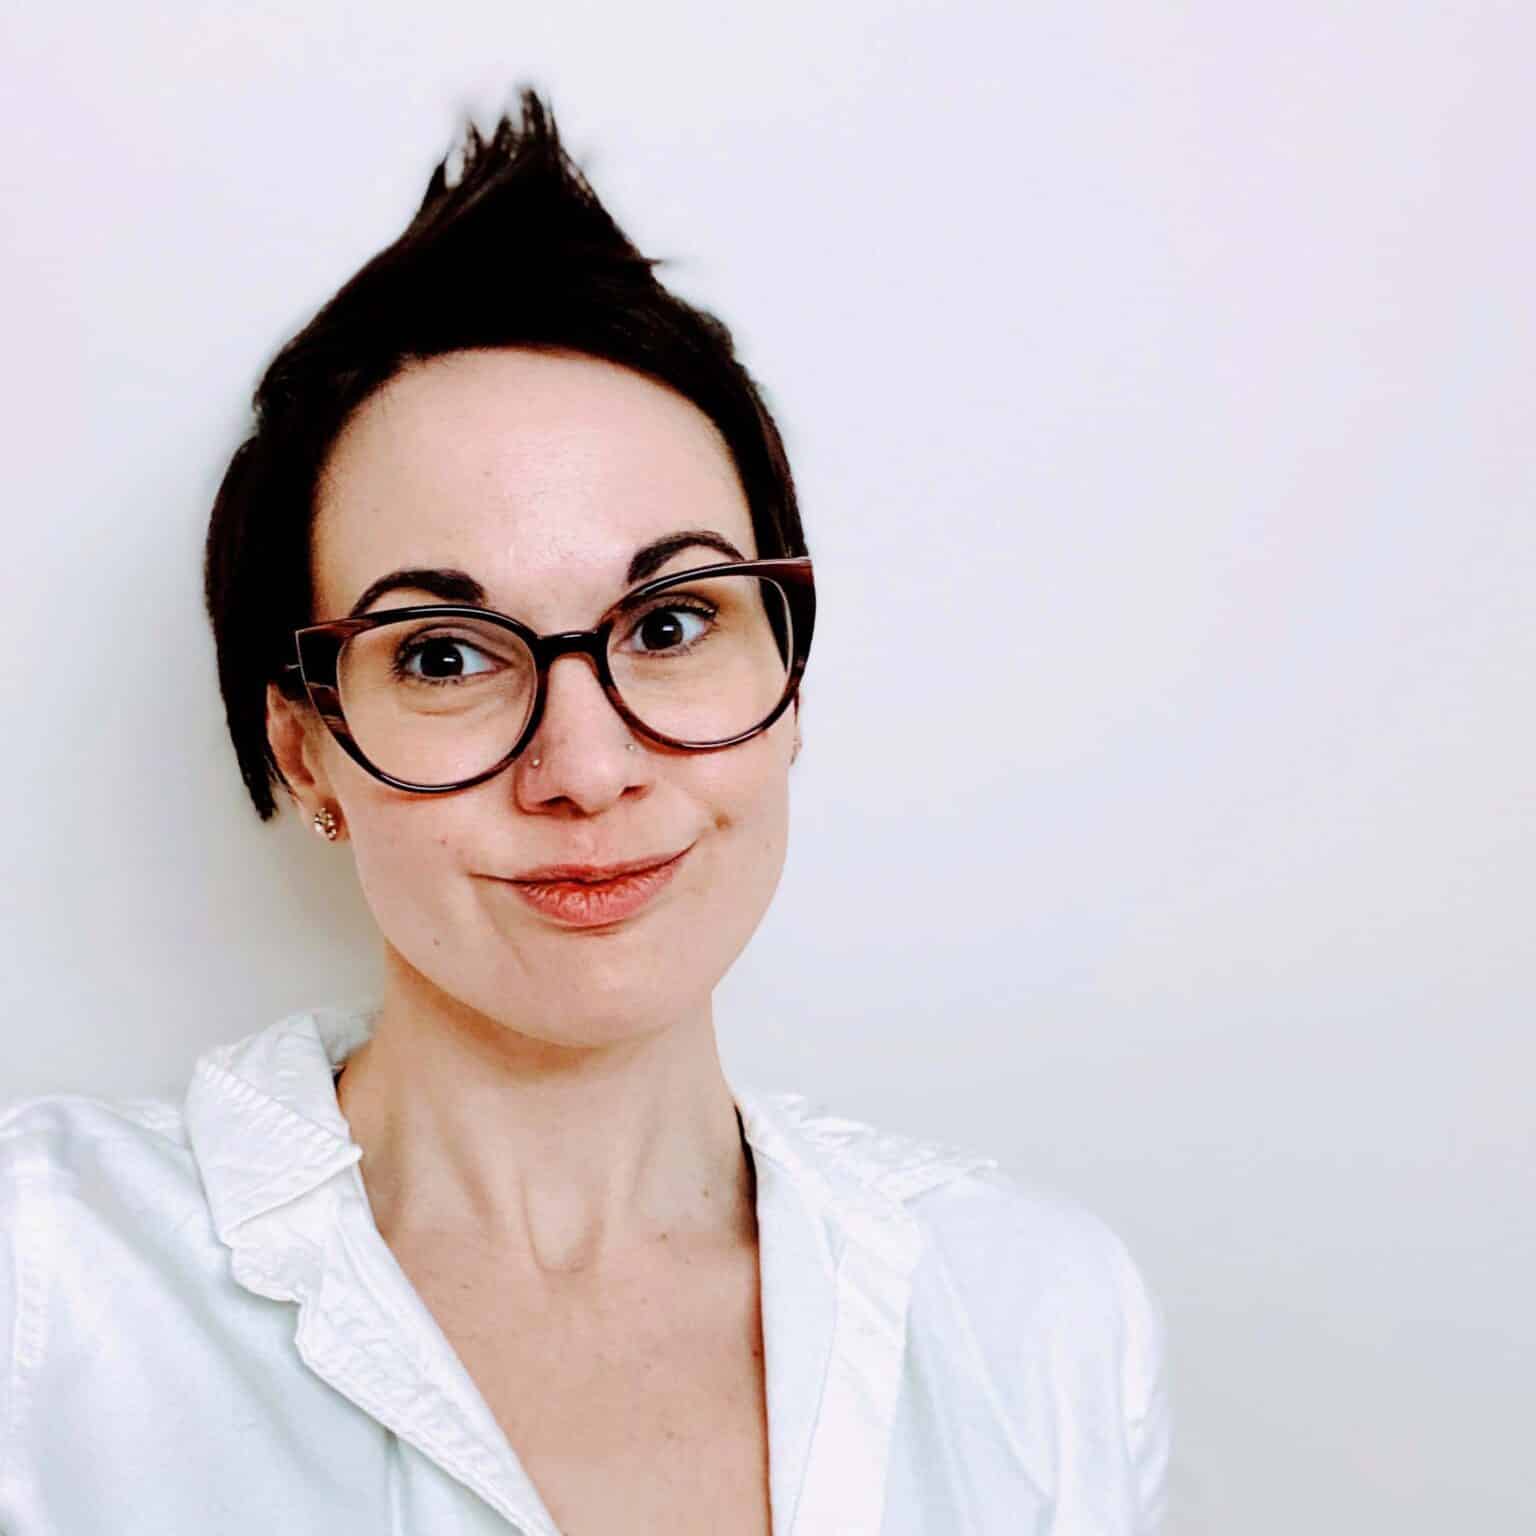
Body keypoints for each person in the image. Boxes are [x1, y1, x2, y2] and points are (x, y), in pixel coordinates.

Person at [0, 90, 1170, 1534]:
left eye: (670, 625)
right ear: (305, 754)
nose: (587, 767)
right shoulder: (45, 1287)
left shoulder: (1038, 1318)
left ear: (789, 682)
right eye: (445, 656)